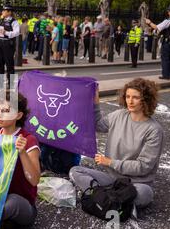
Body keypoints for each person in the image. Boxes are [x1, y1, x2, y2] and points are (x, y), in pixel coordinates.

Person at [70, 78, 163, 212]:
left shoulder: (154, 130)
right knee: (75, 171)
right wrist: (95, 103)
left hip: (135, 183)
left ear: (146, 100)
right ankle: (113, 200)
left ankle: (101, 197)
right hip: (113, 178)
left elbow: (144, 167)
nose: (130, 101)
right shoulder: (119, 115)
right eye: (128, 96)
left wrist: (111, 162)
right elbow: (98, 125)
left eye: (136, 97)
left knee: (145, 194)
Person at [0, 90, 40, 229]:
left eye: (6, 110)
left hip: (22, 204)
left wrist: (22, 152)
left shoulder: (28, 140)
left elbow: (34, 180)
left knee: (12, 202)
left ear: (18, 115)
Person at [146, 3, 170, 80]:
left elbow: (156, 27)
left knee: (165, 58)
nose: (168, 12)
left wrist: (149, 22)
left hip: (167, 43)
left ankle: (166, 75)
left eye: (169, 11)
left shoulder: (168, 21)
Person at [0, 5, 20, 87]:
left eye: (5, 11)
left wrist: (6, 33)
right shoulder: (0, 20)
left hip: (8, 44)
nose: (3, 12)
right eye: (3, 10)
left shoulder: (14, 22)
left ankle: (10, 83)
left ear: (9, 12)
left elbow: (16, 32)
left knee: (9, 64)